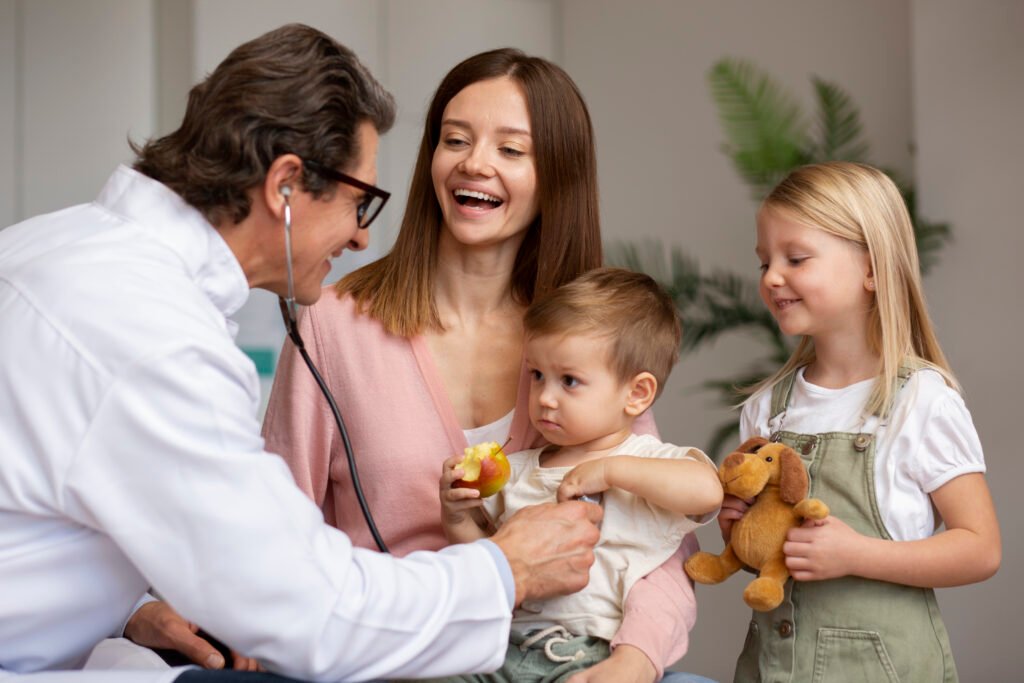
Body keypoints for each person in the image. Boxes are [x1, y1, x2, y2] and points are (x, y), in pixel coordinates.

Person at [0, 24, 607, 682]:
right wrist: (505, 570)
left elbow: (45, 526)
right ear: (286, 186)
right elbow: (310, 613)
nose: (360, 238)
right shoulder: (155, 337)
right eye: (358, 202)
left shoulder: (47, 249)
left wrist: (125, 608)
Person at [261, 49, 708, 683]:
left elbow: (655, 547)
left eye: (511, 149)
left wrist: (635, 660)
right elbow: (276, 531)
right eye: (455, 140)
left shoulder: (588, 340)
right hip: (397, 658)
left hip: (573, 658)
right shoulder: (331, 325)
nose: (475, 163)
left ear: (557, 177)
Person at [720, 161, 1001, 682]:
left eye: (795, 258)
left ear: (871, 270)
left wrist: (857, 554)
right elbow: (775, 559)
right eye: (764, 263)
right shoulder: (767, 408)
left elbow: (980, 548)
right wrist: (743, 534)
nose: (772, 277)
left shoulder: (921, 400)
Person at [431, 268, 723, 682]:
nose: (545, 398)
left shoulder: (645, 461)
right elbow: (488, 561)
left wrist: (610, 471)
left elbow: (707, 491)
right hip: (501, 648)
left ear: (636, 394)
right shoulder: (519, 469)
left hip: (588, 655)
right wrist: (457, 516)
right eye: (537, 376)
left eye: (569, 381)